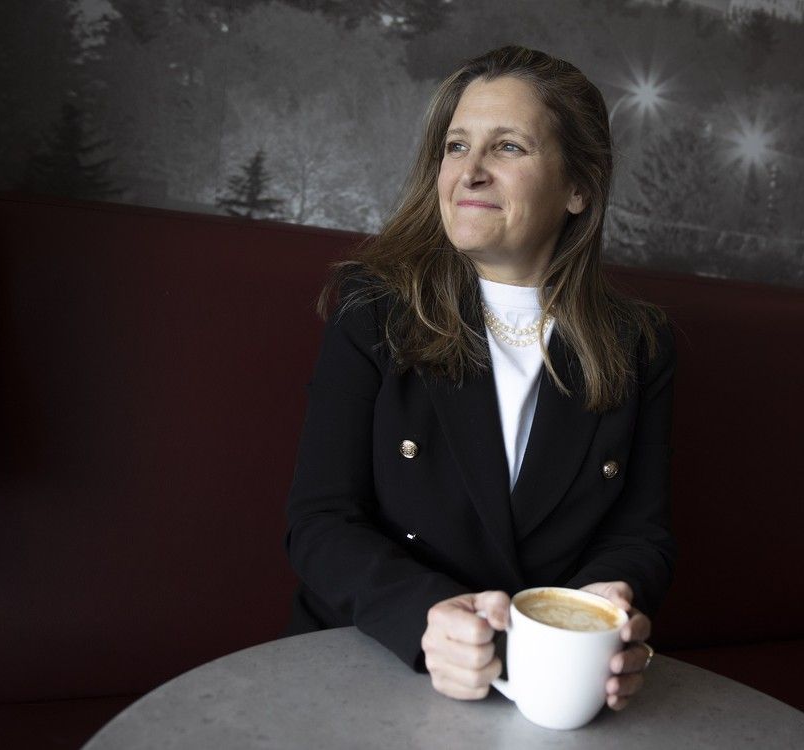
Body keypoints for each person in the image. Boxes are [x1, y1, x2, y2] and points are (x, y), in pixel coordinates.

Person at [284, 45, 676, 712]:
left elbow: (640, 535)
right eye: (457, 145)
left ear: (578, 187)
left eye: (509, 148)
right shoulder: (370, 310)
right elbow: (320, 523)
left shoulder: (639, 345)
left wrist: (611, 602)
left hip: (548, 694)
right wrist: (424, 618)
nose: (470, 172)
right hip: (370, 663)